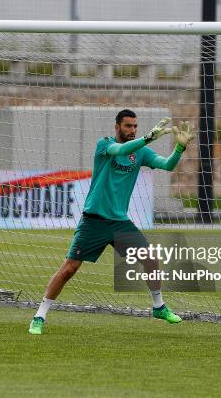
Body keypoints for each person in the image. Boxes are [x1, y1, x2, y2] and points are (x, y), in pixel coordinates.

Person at [29, 109, 194, 335]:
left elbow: (167, 165)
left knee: (151, 260)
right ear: (117, 127)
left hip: (119, 223)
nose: (132, 130)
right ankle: (39, 315)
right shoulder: (104, 145)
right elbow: (121, 149)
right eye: (128, 126)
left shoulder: (142, 153)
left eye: (135, 126)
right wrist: (146, 138)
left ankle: (159, 306)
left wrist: (179, 148)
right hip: (94, 221)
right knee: (69, 269)